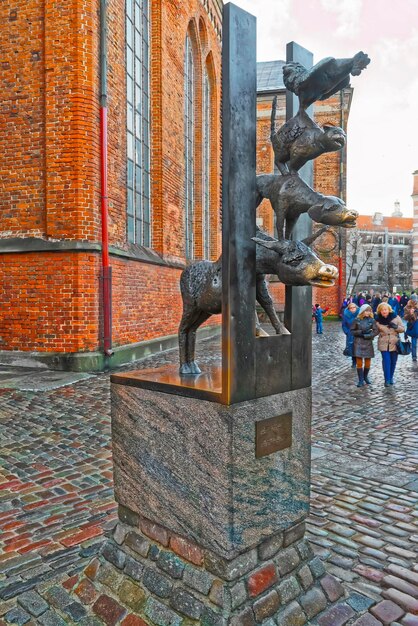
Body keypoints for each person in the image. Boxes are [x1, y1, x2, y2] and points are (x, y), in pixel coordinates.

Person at [375, 303, 405, 387]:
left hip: (394, 343)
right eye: (382, 310)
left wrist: (395, 327)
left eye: (385, 309)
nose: (384, 311)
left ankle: (391, 377)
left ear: (389, 310)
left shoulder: (396, 317)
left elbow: (402, 329)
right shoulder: (377, 320)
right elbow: (375, 331)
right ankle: (387, 380)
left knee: (393, 361)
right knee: (386, 361)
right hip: (383, 343)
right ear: (380, 311)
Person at [350, 304, 379, 387]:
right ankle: (360, 380)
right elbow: (352, 331)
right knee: (359, 362)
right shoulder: (357, 320)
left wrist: (368, 335)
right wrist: (360, 333)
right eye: (366, 310)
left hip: (368, 343)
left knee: (367, 362)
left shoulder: (372, 320)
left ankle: (365, 377)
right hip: (358, 343)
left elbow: (376, 331)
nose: (368, 312)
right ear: (362, 311)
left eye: (369, 311)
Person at [342, 302, 359, 367]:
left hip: (358, 333)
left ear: (356, 308)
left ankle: (358, 361)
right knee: (351, 348)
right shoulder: (346, 315)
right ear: (349, 309)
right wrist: (347, 332)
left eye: (353, 307)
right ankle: (354, 362)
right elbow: (344, 325)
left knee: (358, 347)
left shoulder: (359, 314)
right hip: (350, 334)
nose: (352, 309)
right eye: (351, 308)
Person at [404, 297, 418, 362]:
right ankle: (414, 356)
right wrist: (410, 313)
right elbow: (405, 317)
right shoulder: (407, 307)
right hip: (412, 325)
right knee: (414, 343)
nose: (415, 301)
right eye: (414, 300)